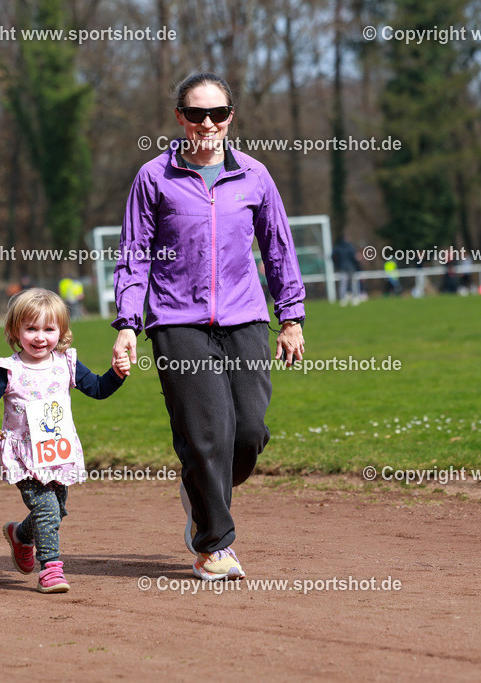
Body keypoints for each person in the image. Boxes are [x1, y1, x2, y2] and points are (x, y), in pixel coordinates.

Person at [112, 73, 306, 581]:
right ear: (179, 117)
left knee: (248, 433)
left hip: (245, 319)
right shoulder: (154, 178)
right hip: (177, 322)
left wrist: (292, 316)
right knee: (204, 436)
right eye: (196, 114)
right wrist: (129, 324)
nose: (207, 124)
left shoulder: (256, 177)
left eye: (217, 114)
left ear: (230, 118)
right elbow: (134, 255)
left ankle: (200, 487)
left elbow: (279, 248)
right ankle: (213, 544)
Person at [0, 288, 130, 593]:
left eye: (48, 329)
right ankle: (51, 569)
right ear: (15, 330)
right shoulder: (8, 370)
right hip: (25, 455)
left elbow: (97, 388)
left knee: (57, 509)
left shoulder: (65, 363)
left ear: (62, 332)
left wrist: (117, 374)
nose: (40, 337)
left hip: (58, 451)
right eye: (31, 329)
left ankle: (21, 535)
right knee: (47, 510)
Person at [331, 237, 358, 305]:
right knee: (353, 283)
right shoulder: (350, 247)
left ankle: (342, 299)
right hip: (351, 268)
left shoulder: (338, 247)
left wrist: (337, 264)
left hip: (342, 267)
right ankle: (354, 298)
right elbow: (354, 258)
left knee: (343, 284)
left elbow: (333, 256)